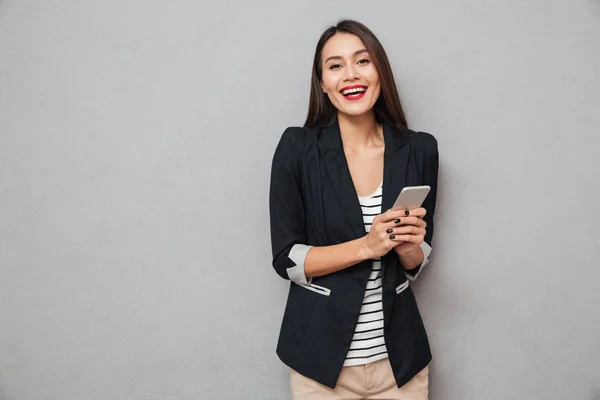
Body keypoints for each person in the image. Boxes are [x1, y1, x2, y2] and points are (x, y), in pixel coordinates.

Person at [268, 19, 439, 400]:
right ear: (323, 82)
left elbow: (418, 259)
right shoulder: (298, 148)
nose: (350, 74)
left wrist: (410, 249)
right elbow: (287, 260)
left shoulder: (420, 149)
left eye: (362, 61)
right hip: (321, 367)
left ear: (379, 70)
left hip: (401, 368)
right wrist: (368, 245)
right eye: (335, 65)